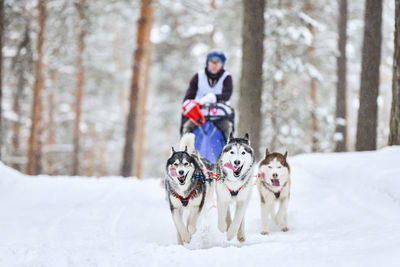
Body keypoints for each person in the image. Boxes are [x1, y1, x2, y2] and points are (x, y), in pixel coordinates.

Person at [180, 51, 234, 141]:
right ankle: (184, 151)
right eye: (212, 62)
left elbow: (226, 95)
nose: (214, 65)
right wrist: (190, 105)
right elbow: (188, 97)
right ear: (207, 62)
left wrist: (212, 98)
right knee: (187, 128)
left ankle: (229, 151)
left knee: (228, 129)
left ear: (222, 64)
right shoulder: (198, 77)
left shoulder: (227, 77)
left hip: (220, 116)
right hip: (199, 117)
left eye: (217, 62)